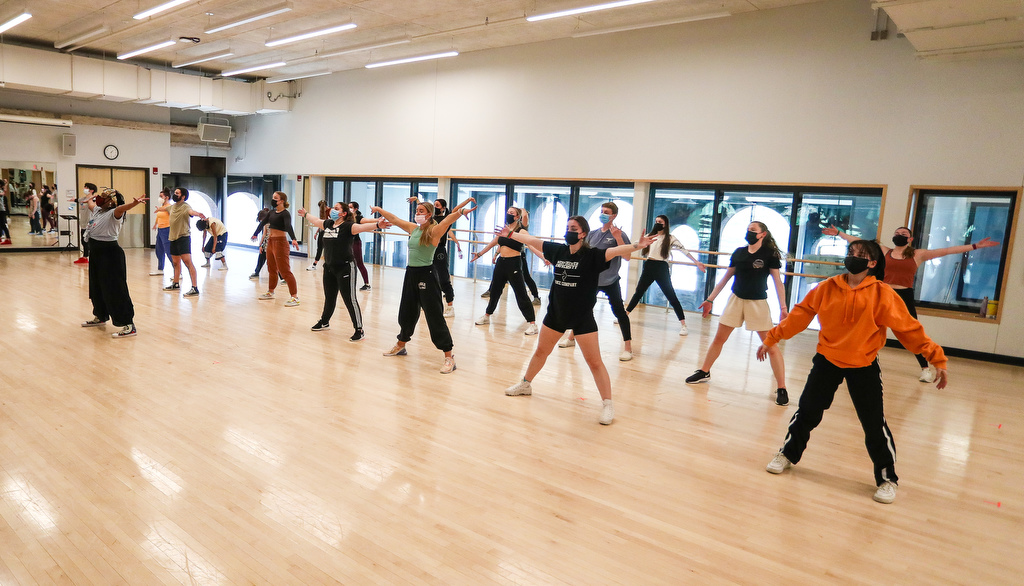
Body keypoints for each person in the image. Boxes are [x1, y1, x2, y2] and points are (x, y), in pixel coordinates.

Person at [758, 239, 949, 504]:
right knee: (807, 412)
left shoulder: (882, 293)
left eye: (860, 255)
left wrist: (935, 357)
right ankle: (787, 454)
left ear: (872, 263)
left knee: (874, 424)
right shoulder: (826, 288)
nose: (853, 257)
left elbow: (908, 328)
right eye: (851, 253)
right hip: (827, 360)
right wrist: (771, 338)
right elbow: (800, 316)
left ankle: (887, 479)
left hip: (864, 364)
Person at [503, 216, 656, 425]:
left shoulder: (592, 255)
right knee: (541, 351)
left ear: (583, 233)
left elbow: (616, 252)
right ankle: (525, 384)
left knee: (594, 362)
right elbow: (534, 241)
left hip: (582, 317)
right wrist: (511, 234)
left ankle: (608, 404)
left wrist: (637, 245)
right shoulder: (559, 251)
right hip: (557, 313)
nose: (569, 231)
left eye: (573, 228)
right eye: (567, 228)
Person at [823, 224, 999, 383]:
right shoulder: (884, 251)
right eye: (897, 232)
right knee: (866, 328)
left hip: (903, 295)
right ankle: (855, 360)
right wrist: (839, 233)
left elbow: (947, 251)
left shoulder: (917, 254)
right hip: (881, 293)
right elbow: (860, 242)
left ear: (910, 239)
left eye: (903, 233)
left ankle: (925, 369)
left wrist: (975, 246)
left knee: (911, 333)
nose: (899, 235)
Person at [685, 221, 790, 406]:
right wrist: (710, 299)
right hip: (736, 300)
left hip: (757, 303)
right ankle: (704, 371)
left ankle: (781, 387)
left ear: (762, 234)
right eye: (748, 229)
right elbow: (725, 278)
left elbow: (777, 282)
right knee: (719, 339)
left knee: (771, 345)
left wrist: (783, 308)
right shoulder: (739, 253)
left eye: (753, 230)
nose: (749, 232)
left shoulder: (769, 255)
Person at [371, 197, 476, 374]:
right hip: (410, 273)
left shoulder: (435, 231)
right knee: (407, 312)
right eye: (416, 211)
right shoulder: (414, 229)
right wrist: (379, 209)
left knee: (434, 316)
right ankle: (401, 345)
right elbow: (395, 219)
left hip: (427, 275)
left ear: (429, 214)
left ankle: (449, 357)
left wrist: (461, 212)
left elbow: (449, 219)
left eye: (421, 211)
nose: (417, 214)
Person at [560, 202, 634, 361]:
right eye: (601, 211)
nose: (603, 214)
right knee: (582, 308)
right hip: (592, 280)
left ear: (613, 216)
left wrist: (618, 238)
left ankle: (628, 347)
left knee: (619, 312)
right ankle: (572, 337)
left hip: (610, 281)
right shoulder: (592, 234)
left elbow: (627, 256)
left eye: (606, 212)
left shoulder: (620, 234)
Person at [298, 203, 383, 340]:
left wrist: (378, 225)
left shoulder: (349, 226)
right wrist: (306, 214)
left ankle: (359, 329)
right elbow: (316, 221)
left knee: (350, 299)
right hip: (329, 267)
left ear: (344, 213)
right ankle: (324, 321)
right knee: (329, 297)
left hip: (345, 267)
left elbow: (363, 227)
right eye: (333, 208)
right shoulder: (328, 224)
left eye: (337, 209)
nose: (333, 210)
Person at [80, 188, 148, 338]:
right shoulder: (98, 210)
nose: (100, 198)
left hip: (110, 254)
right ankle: (100, 315)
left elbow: (122, 208)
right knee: (96, 286)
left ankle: (128, 324)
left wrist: (133, 204)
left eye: (104, 197)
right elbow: (91, 204)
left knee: (115, 289)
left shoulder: (114, 212)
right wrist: (89, 196)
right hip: (96, 253)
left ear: (111, 202)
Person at [625, 215, 707, 336]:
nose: (658, 223)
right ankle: (624, 316)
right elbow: (636, 244)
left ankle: (683, 324)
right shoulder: (649, 236)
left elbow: (684, 250)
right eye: (656, 221)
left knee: (671, 295)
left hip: (661, 268)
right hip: (649, 265)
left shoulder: (670, 238)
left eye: (660, 222)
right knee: (638, 292)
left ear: (666, 224)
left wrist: (696, 262)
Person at [470, 206, 539, 335]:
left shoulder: (521, 232)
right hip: (501, 263)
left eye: (511, 213)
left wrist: (544, 257)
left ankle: (533, 324)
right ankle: (487, 315)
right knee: (495, 291)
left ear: (517, 217)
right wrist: (479, 254)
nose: (508, 214)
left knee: (521, 294)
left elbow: (531, 244)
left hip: (514, 264)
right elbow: (494, 243)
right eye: (507, 212)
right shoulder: (504, 230)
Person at [251, 191, 301, 306]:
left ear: (282, 201)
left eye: (275, 198)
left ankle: (294, 297)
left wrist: (293, 238)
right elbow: (263, 223)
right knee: (271, 268)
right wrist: (255, 233)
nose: (273, 200)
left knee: (284, 271)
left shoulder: (285, 214)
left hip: (280, 243)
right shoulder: (272, 212)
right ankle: (271, 291)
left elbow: (288, 226)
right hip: (271, 242)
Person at [163, 187, 205, 297]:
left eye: (177, 193)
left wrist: (198, 214)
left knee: (187, 262)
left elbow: (191, 212)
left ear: (183, 197)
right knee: (176, 262)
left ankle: (194, 288)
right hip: (173, 238)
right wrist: (159, 209)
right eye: (175, 192)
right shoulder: (172, 207)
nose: (175, 194)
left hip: (183, 238)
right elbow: (166, 209)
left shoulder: (185, 206)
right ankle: (175, 283)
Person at [349, 201, 372, 290]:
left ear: (355, 209)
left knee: (359, 263)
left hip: (355, 242)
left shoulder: (358, 218)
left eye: (351, 207)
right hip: (347, 242)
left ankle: (367, 284)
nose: (349, 208)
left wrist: (378, 220)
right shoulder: (347, 217)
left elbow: (368, 221)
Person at [73, 183, 98, 264]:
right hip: (83, 224)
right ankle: (85, 256)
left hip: (90, 224)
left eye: (86, 187)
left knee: (88, 241)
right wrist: (73, 199)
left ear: (91, 190)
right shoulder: (83, 199)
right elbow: (78, 200)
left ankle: (89, 257)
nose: (84, 189)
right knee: (83, 241)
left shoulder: (93, 200)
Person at [150, 187, 172, 276]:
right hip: (160, 229)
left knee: (168, 251)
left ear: (166, 197)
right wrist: (156, 224)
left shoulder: (169, 207)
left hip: (167, 229)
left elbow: (172, 215)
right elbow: (158, 216)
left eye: (161, 196)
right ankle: (160, 269)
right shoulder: (162, 207)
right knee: (159, 250)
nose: (159, 198)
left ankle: (178, 271)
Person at [306, 200, 329, 271]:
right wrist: (317, 232)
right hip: (322, 232)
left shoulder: (330, 212)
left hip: (328, 233)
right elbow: (321, 223)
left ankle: (327, 264)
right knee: (319, 248)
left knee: (327, 249)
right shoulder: (322, 213)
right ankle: (314, 264)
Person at [0, 179, 11, 245]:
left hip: (1, 210)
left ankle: (8, 239)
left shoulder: (1, 191)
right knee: (0, 225)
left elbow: (3, 193)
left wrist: (5, 185)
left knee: (3, 225)